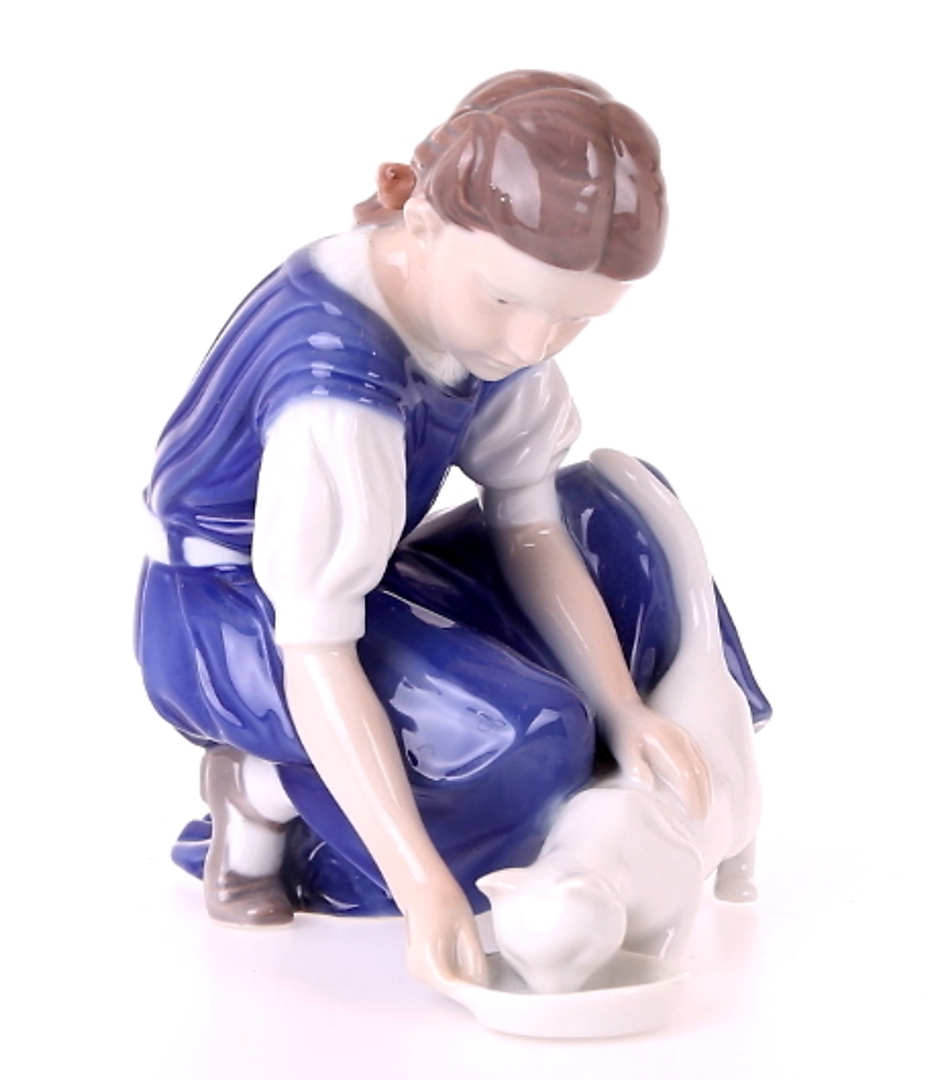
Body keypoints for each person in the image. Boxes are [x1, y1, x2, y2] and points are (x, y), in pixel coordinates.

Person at [136, 70, 770, 993]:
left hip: (372, 573)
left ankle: (633, 798)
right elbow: (316, 646)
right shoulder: (334, 384)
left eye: (575, 318)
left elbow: (534, 531)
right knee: (526, 740)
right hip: (231, 613)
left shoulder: (493, 328)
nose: (532, 343)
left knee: (628, 523)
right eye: (506, 300)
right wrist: (424, 883)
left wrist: (625, 709)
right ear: (424, 223)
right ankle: (268, 799)